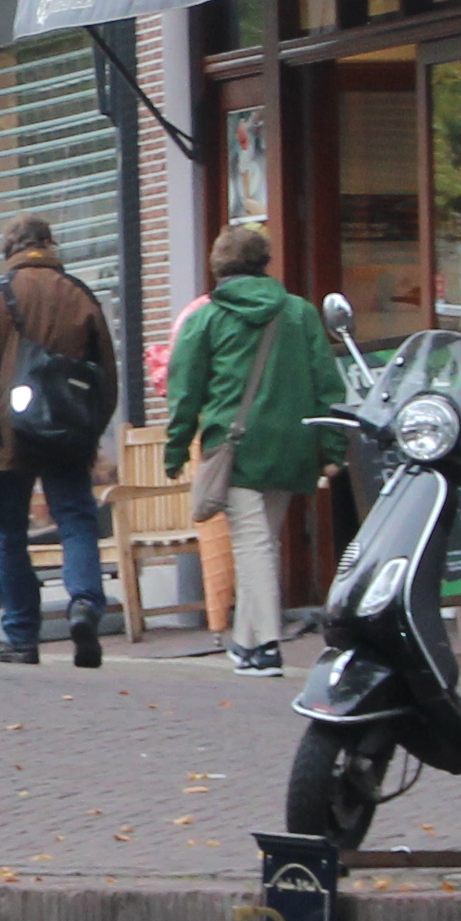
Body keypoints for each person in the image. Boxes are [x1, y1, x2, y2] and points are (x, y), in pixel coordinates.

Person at [163, 225, 346, 679]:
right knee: (263, 540)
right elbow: (328, 383)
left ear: (219, 265)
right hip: (294, 446)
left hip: (236, 447)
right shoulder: (300, 314)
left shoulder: (206, 319)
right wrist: (334, 447)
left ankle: (266, 646)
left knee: (253, 543)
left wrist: (175, 448)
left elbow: (184, 389)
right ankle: (245, 643)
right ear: (265, 263)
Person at [0, 211, 117, 668]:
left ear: (12, 251)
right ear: (50, 243)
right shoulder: (81, 296)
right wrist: (92, 429)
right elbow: (106, 375)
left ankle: (22, 637)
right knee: (77, 520)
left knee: (8, 534)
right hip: (67, 429)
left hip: (8, 435)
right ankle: (84, 604)